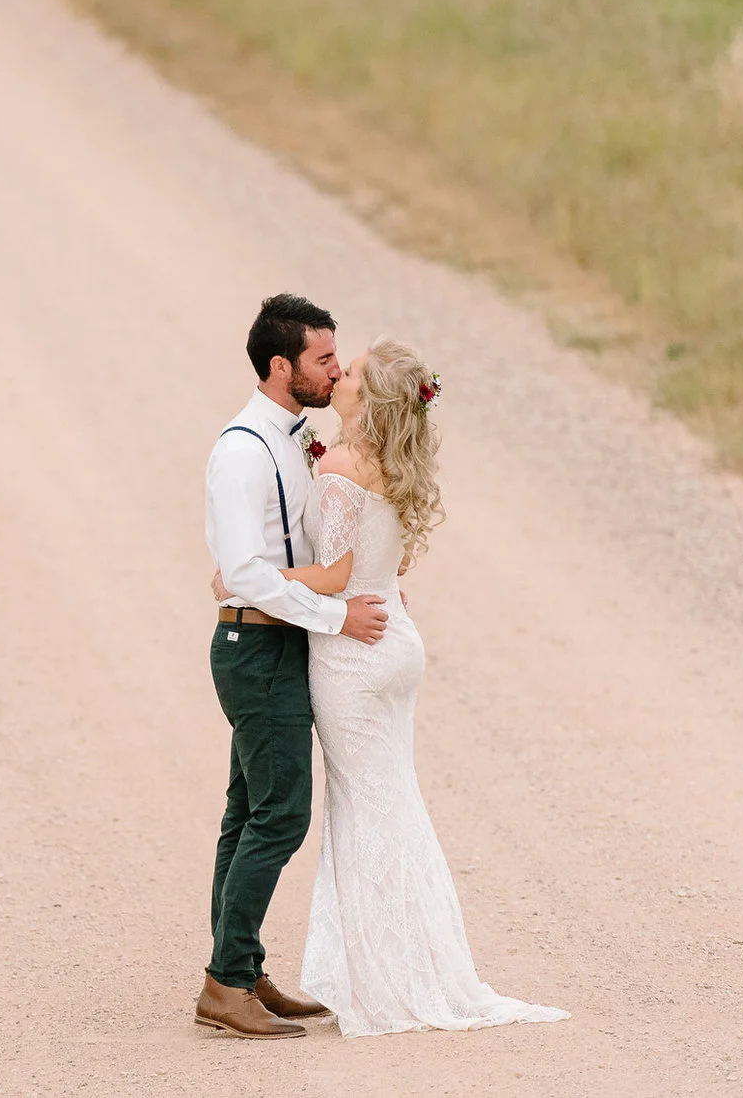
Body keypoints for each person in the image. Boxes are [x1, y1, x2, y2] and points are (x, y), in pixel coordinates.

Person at [226, 337, 569, 1037]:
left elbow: (329, 577)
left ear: (367, 396)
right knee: (394, 804)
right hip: (396, 644)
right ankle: (412, 964)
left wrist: (245, 578)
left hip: (353, 652)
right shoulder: (391, 464)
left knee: (364, 812)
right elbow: (397, 561)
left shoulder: (343, 468)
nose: (338, 373)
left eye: (348, 372)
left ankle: (386, 978)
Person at [196, 295, 390, 1039]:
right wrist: (338, 616)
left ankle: (238, 967)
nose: (336, 370)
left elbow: (291, 556)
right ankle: (226, 985)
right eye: (322, 359)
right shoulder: (244, 450)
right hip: (257, 649)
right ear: (281, 366)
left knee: (247, 813)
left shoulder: (291, 439)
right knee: (280, 816)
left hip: (274, 644)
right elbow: (246, 572)